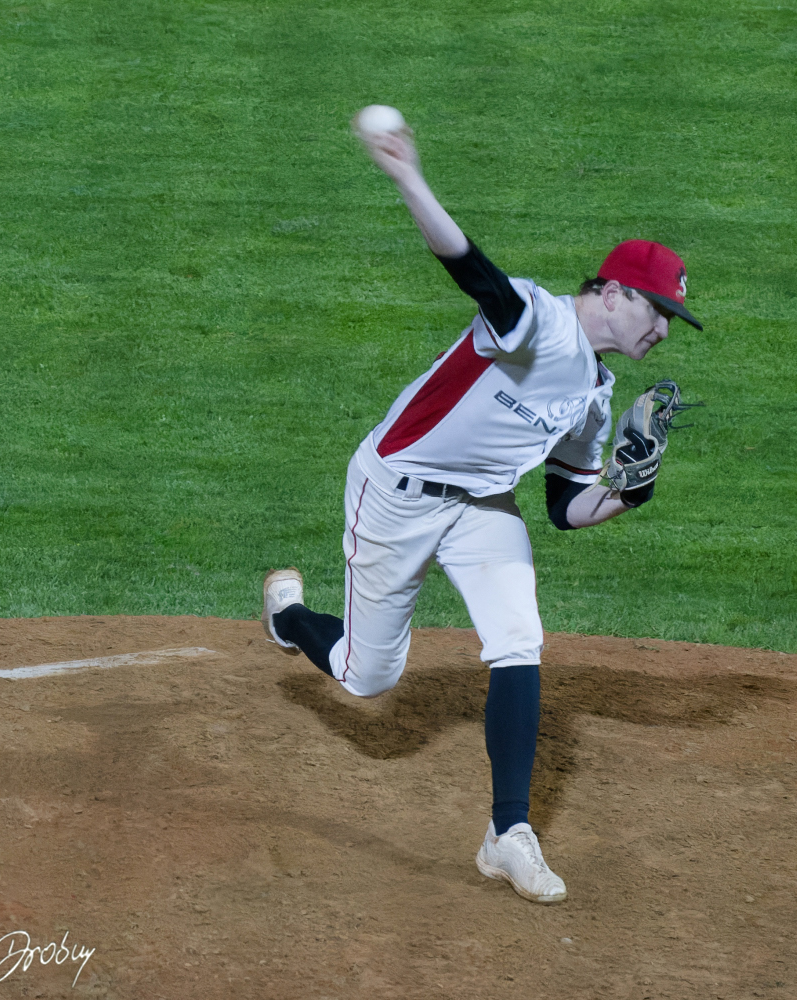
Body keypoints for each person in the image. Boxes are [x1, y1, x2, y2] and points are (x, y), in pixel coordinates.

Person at [260, 116, 701, 904]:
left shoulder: (597, 397)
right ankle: (290, 617)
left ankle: (508, 835)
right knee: (367, 678)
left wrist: (629, 493)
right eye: (658, 311)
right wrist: (408, 176)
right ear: (611, 293)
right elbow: (473, 271)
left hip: (482, 508)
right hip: (395, 494)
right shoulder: (538, 320)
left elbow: (564, 508)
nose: (665, 330)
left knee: (518, 638)